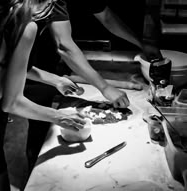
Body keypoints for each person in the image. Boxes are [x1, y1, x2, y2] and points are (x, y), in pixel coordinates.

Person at [0, 0, 91, 190]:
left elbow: (6, 64)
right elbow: (12, 103)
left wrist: (55, 80)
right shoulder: (27, 26)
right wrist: (60, 116)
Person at [25, 0, 132, 175]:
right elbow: (11, 98)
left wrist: (55, 80)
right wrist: (56, 115)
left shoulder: (48, 6)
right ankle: (35, 174)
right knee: (38, 137)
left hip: (33, 73)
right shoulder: (22, 22)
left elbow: (17, 67)